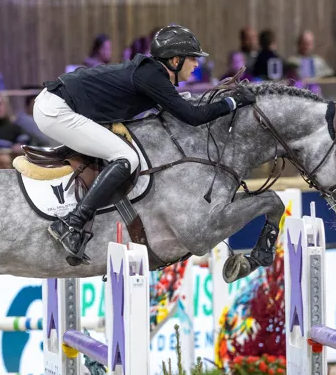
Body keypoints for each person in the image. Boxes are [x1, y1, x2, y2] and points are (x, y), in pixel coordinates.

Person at [33, 24, 256, 265]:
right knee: (126, 158)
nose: (196, 64)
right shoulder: (151, 76)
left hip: (59, 104)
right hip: (56, 110)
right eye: (193, 58)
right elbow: (193, 117)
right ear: (175, 60)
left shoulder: (153, 74)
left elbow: (184, 107)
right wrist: (233, 102)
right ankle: (72, 223)